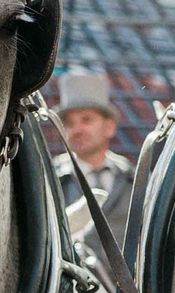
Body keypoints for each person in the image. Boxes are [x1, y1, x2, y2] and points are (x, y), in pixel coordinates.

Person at [54, 68, 134, 212]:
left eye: (86, 120)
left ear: (109, 127)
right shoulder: (50, 177)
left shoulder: (133, 178)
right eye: (69, 123)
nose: (77, 130)